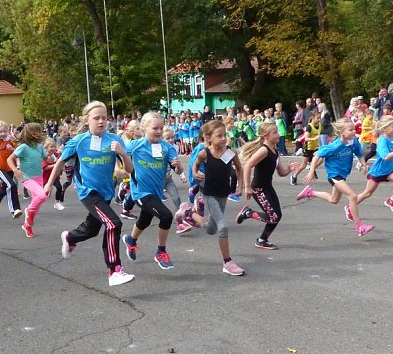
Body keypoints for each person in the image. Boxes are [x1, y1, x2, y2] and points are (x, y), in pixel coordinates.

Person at [43, 100, 135, 287]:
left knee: (92, 230)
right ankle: (115, 270)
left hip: (106, 193)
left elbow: (129, 170)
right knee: (113, 224)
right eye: (96, 118)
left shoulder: (114, 140)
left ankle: (70, 237)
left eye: (104, 118)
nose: (101, 121)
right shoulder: (79, 141)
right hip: (88, 192)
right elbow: (60, 162)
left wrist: (123, 154)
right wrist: (49, 184)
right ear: (87, 120)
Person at [122, 111, 183, 270]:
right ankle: (160, 252)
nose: (159, 131)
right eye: (155, 128)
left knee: (145, 220)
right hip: (141, 192)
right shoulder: (135, 146)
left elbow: (177, 170)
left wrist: (178, 165)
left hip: (156, 192)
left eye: (161, 128)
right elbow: (119, 154)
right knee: (166, 215)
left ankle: (131, 240)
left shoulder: (166, 147)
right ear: (144, 128)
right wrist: (118, 167)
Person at [184, 119, 246, 275]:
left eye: (225, 135)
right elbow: (195, 164)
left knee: (211, 229)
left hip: (223, 193)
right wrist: (194, 173)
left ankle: (188, 213)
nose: (224, 138)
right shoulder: (205, 152)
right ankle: (228, 263)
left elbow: (239, 168)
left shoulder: (230, 152)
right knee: (222, 226)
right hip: (208, 193)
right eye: (219, 136)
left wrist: (240, 187)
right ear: (208, 137)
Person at [296, 118, 373, 236]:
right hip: (334, 175)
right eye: (350, 130)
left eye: (354, 129)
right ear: (342, 132)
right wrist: (311, 171)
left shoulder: (353, 142)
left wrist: (363, 164)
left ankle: (310, 193)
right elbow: (317, 155)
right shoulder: (334, 146)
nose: (354, 131)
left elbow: (359, 153)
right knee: (352, 196)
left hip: (343, 174)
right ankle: (359, 226)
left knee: (334, 199)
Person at [237, 122, 291, 249]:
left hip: (268, 187)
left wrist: (289, 169)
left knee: (277, 215)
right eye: (275, 133)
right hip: (258, 188)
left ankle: (262, 240)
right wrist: (248, 187)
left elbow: (281, 172)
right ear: (266, 136)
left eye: (277, 131)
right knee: (273, 216)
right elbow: (248, 165)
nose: (278, 134)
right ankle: (248, 213)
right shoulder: (264, 150)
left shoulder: (275, 151)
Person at [354, 116, 393, 216]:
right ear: (385, 128)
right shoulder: (382, 141)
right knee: (367, 193)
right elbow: (386, 157)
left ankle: (392, 201)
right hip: (378, 172)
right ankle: (350, 207)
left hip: (390, 170)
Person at [8, 122, 48, 238]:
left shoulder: (40, 147)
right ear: (30, 133)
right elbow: (10, 159)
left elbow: (46, 159)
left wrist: (52, 155)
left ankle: (27, 225)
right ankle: (28, 211)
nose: (39, 134)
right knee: (42, 196)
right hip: (27, 178)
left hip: (39, 177)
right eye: (37, 131)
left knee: (37, 204)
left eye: (39, 131)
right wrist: (15, 170)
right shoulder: (23, 148)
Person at [42, 137, 65, 211]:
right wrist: (55, 165)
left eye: (54, 146)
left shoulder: (56, 155)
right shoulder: (44, 156)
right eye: (51, 147)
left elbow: (60, 163)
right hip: (46, 177)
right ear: (46, 147)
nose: (53, 148)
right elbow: (45, 168)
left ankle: (57, 203)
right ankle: (33, 205)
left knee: (59, 187)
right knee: (43, 194)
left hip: (54, 176)